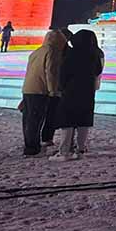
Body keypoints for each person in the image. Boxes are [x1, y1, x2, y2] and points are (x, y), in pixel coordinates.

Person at [51, 29, 104, 161]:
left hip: (71, 92)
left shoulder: (72, 54)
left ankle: (64, 151)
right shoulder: (94, 55)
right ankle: (80, 149)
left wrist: (61, 87)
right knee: (83, 121)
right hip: (87, 92)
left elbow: (63, 74)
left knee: (67, 121)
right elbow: (98, 71)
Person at [18, 30, 66, 156]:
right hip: (40, 89)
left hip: (28, 88)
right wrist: (53, 90)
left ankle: (30, 145)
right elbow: (51, 72)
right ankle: (32, 148)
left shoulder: (37, 51)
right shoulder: (52, 52)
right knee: (35, 120)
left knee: (28, 120)